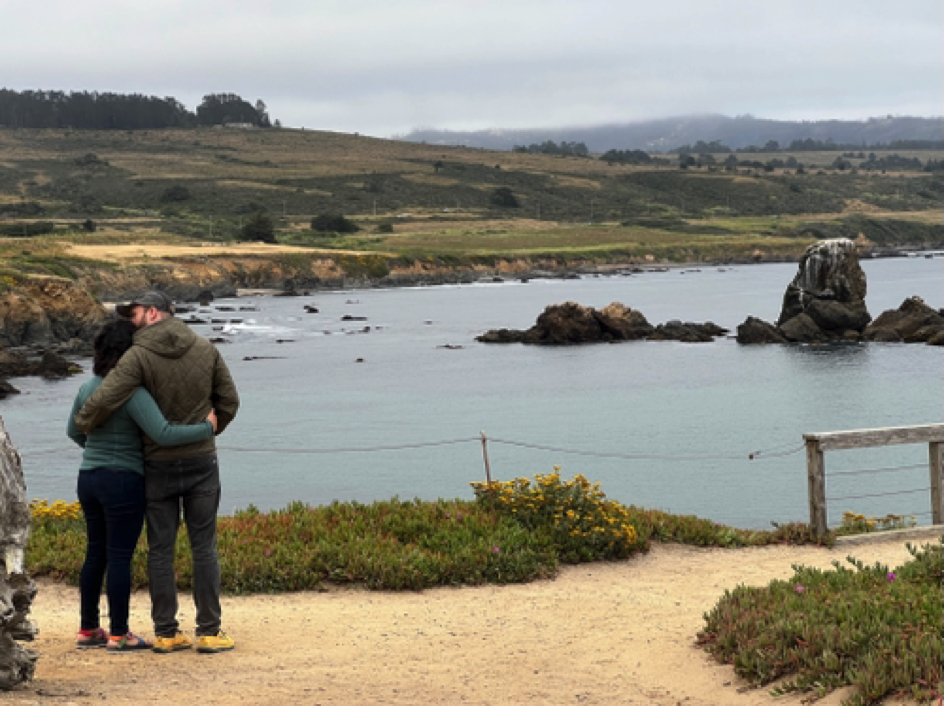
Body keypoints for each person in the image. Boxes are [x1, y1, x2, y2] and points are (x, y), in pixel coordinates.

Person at [74, 290, 240, 655]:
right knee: (204, 546)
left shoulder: (137, 356)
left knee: (160, 548)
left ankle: (166, 632)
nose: (130, 321)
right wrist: (212, 428)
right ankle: (210, 632)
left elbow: (105, 396)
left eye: (132, 314)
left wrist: (85, 422)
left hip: (157, 464)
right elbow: (230, 401)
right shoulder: (206, 348)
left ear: (151, 313)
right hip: (201, 461)